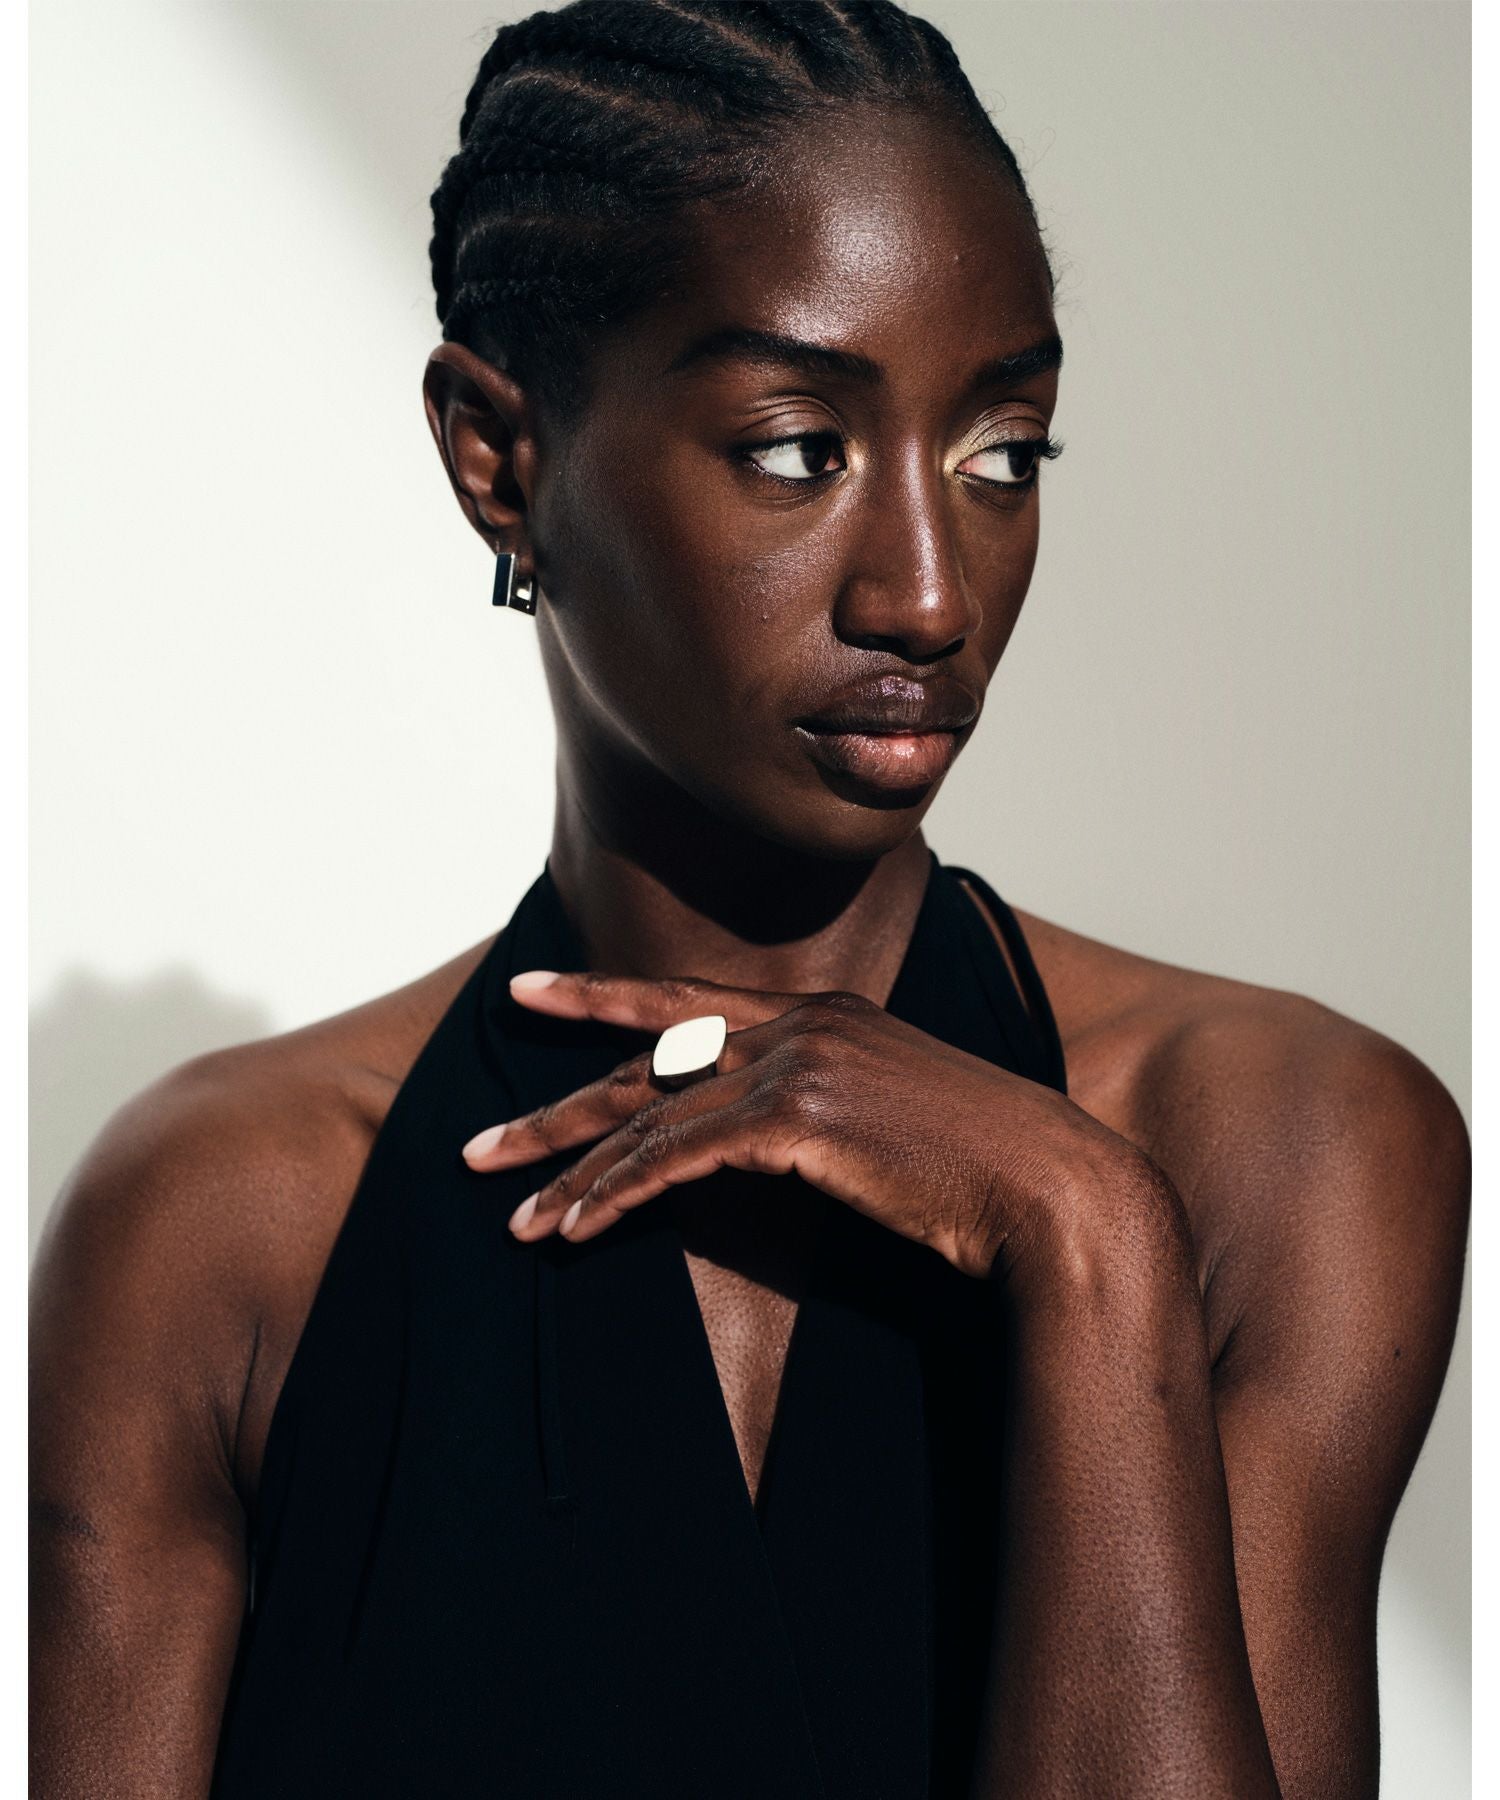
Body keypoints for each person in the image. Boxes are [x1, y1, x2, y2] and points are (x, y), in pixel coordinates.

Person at [29, 3, 1470, 1796]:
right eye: (799, 447)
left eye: (1003, 453)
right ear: (500, 459)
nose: (930, 596)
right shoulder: (224, 1229)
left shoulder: (1275, 1147)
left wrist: (1085, 1234)